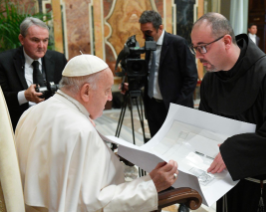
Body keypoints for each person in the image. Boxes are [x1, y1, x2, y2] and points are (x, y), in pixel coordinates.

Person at [15, 54, 179, 212]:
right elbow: (93, 205)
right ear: (86, 91)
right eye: (107, 90)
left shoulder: (30, 113)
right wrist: (151, 185)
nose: (109, 98)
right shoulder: (81, 130)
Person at [191, 13, 266, 212]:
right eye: (195, 49)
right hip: (230, 185)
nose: (198, 56)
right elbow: (206, 129)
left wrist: (233, 151)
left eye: (203, 47)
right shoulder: (210, 81)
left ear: (226, 41)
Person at [0, 17, 67, 131]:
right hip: (21, 126)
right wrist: (24, 96)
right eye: (35, 40)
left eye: (45, 40)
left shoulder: (58, 59)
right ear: (22, 39)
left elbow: (69, 92)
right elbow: (2, 99)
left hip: (54, 124)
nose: (41, 46)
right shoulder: (4, 61)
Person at [138, 10, 198, 137]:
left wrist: (177, 105)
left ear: (160, 28)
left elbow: (191, 77)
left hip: (173, 106)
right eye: (143, 32)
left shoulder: (178, 43)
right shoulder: (150, 44)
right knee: (156, 145)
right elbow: (150, 73)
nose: (144, 37)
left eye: (148, 32)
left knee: (174, 145)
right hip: (152, 106)